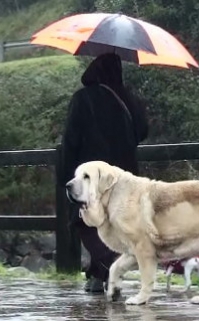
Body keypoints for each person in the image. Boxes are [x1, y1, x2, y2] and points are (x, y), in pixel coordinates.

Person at [58, 53, 149, 293]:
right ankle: (99, 276)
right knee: (113, 222)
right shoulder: (129, 98)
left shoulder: (83, 99)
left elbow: (71, 140)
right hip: (123, 175)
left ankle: (109, 266)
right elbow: (143, 132)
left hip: (91, 174)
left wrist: (65, 174)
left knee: (84, 220)